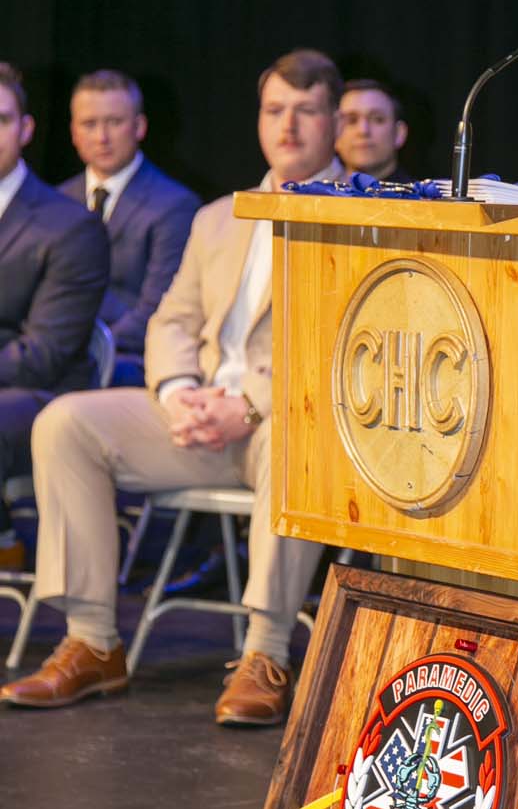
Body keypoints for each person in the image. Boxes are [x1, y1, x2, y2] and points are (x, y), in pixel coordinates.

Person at [1, 49, 346, 725]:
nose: (289, 125)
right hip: (198, 415)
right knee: (66, 423)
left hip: (287, 420)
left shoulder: (374, 216)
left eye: (307, 111)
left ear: (335, 120)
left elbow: (353, 350)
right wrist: (178, 391)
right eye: (276, 109)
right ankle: (92, 641)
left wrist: (250, 404)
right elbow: (173, 320)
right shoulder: (219, 217)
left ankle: (265, 653)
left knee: (295, 439)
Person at [0, 64, 110, 572]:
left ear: (25, 129)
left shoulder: (69, 226)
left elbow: (43, 355)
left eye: (1, 120)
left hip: (40, 394)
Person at [60, 69, 200, 386]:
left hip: (128, 360)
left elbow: (158, 311)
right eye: (89, 124)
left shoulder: (174, 205)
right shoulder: (55, 200)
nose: (101, 137)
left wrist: (86, 348)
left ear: (139, 127)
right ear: (73, 132)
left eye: (114, 122)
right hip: (58, 353)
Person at [335, 77, 410, 182]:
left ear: (399, 133)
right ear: (334, 134)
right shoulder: (315, 196)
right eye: (351, 121)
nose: (363, 131)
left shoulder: (422, 198)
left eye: (377, 120)